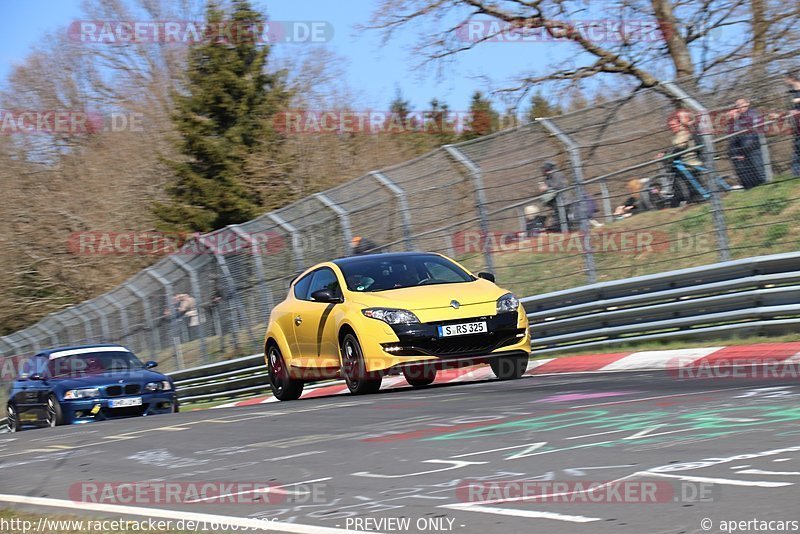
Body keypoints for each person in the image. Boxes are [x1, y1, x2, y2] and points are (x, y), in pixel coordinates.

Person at [727, 98, 766, 189]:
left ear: (747, 104)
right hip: (743, 148)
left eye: (741, 105)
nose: (739, 107)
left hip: (753, 146)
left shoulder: (753, 113)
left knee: (759, 168)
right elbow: (733, 133)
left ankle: (766, 185)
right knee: (750, 171)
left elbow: (751, 127)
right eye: (737, 105)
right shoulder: (738, 118)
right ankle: (756, 187)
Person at [539, 162, 575, 231]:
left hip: (565, 202)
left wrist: (546, 188)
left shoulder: (557, 174)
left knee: (564, 221)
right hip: (557, 204)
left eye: (543, 169)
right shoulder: (547, 178)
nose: (542, 171)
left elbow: (558, 186)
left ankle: (569, 232)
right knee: (560, 222)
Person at [786, 70, 800, 177]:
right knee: (796, 150)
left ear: (791, 78)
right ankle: (795, 176)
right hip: (797, 126)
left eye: (786, 78)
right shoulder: (791, 92)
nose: (785, 81)